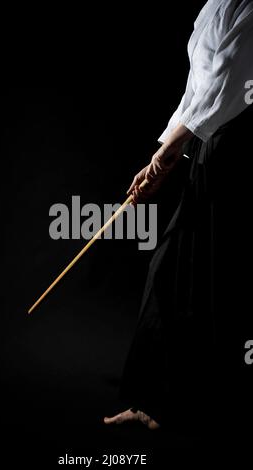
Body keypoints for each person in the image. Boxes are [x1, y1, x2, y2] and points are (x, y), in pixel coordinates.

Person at [104, 0, 253, 432]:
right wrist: (163, 154)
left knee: (212, 274)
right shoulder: (215, 5)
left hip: (237, 147)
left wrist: (167, 156)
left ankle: (186, 406)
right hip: (211, 144)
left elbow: (227, 79)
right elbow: (199, 85)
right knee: (177, 271)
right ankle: (159, 404)